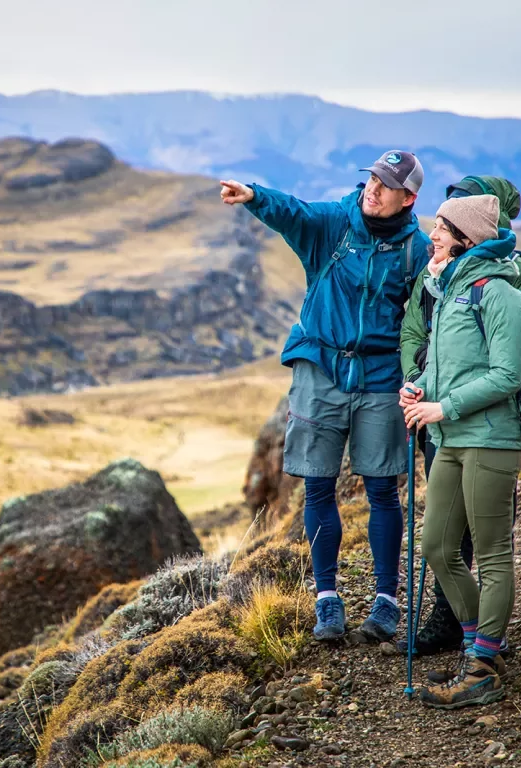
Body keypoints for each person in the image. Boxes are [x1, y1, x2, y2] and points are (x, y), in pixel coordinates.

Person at [221, 151, 431, 643]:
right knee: (317, 486)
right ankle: (327, 600)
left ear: (409, 198)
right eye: (372, 179)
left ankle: (386, 601)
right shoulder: (334, 224)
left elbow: (428, 314)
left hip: (381, 376)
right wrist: (255, 196)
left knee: (381, 489)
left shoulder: (416, 250)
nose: (373, 190)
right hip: (321, 369)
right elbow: (293, 212)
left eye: (386, 185)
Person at [397, 176, 521, 658]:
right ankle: (475, 637)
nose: (433, 233)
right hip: (449, 437)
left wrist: (444, 405)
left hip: (489, 438)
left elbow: (506, 376)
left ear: (467, 238)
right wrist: (419, 388)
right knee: (437, 548)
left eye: (442, 226)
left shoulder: (502, 294)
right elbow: (449, 365)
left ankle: (483, 662)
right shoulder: (447, 290)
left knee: (493, 554)